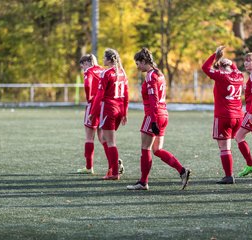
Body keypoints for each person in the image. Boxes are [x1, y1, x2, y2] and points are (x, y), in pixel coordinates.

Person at [127, 47, 191, 190]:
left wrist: (154, 120)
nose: (137, 67)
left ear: (144, 61)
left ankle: (143, 182)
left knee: (145, 148)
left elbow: (154, 99)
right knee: (157, 149)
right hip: (163, 114)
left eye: (138, 64)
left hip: (153, 115)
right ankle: (182, 171)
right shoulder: (159, 74)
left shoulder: (150, 75)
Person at [201, 46, 244, 184]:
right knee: (228, 146)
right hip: (238, 115)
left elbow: (205, 67)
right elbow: (235, 68)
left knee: (224, 147)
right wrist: (229, 62)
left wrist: (215, 55)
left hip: (224, 115)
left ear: (220, 68)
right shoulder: (239, 76)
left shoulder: (221, 76)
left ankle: (229, 175)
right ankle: (229, 174)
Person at [89, 48, 128, 180]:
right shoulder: (122, 72)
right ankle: (112, 167)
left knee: (110, 141)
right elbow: (126, 94)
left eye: (104, 57)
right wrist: (124, 113)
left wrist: (93, 112)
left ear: (109, 59)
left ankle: (115, 172)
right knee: (104, 139)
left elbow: (99, 95)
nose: (102, 60)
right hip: (119, 109)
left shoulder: (106, 73)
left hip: (109, 109)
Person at [77, 54, 107, 175]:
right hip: (104, 105)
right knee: (103, 137)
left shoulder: (89, 71)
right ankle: (113, 163)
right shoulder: (103, 70)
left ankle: (89, 167)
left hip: (93, 105)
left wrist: (89, 98)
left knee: (89, 137)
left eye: (83, 65)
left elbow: (87, 84)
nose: (83, 68)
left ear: (87, 63)